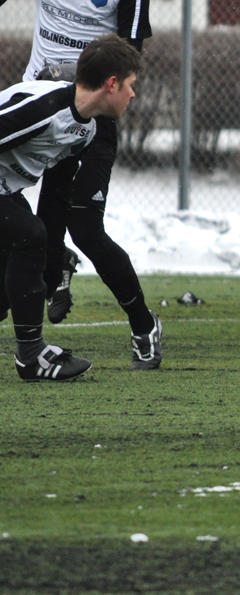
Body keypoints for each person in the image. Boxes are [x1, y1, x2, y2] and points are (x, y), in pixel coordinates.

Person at [0, 0, 161, 369]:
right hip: (41, 112)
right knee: (33, 232)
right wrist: (53, 84)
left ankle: (144, 326)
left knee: (84, 228)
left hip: (93, 115)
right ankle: (39, 322)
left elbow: (126, 64)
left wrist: (74, 77)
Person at [1, 34, 145, 380]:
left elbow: (56, 194)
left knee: (14, 268)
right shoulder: (45, 107)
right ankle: (31, 355)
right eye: (130, 85)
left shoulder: (85, 130)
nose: (133, 94)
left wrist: (51, 261)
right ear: (112, 84)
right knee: (27, 234)